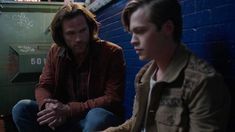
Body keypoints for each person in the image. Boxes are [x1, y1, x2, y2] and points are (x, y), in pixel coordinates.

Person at [104, 0, 230, 131]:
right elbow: (137, 123)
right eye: (132, 33)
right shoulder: (144, 75)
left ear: (167, 28)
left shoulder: (202, 83)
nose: (132, 41)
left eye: (140, 31)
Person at [12, 3, 125, 132]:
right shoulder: (55, 52)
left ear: (90, 28)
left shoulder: (112, 52)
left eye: (82, 31)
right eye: (71, 33)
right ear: (62, 35)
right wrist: (48, 106)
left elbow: (113, 98)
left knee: (97, 116)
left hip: (93, 119)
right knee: (21, 108)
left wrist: (69, 110)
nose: (78, 39)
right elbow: (44, 85)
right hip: (63, 119)